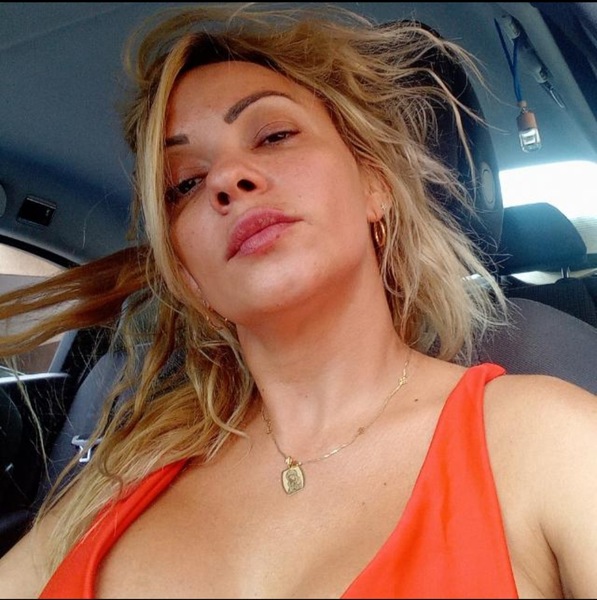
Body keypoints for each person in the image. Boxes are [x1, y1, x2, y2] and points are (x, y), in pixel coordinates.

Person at [0, 2, 596, 598]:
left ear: (374, 184)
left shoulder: (544, 440)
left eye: (274, 136)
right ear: (189, 277)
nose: (226, 179)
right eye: (185, 183)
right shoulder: (117, 475)